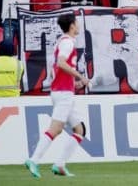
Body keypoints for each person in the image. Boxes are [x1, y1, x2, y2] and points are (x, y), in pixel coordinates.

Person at [25, 12, 90, 178]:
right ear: (72, 25)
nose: (79, 25)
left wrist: (73, 83)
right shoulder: (67, 42)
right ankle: (34, 160)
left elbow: (56, 69)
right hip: (63, 93)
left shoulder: (63, 42)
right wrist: (80, 76)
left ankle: (60, 164)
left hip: (63, 90)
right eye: (77, 22)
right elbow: (61, 63)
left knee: (79, 129)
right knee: (56, 129)